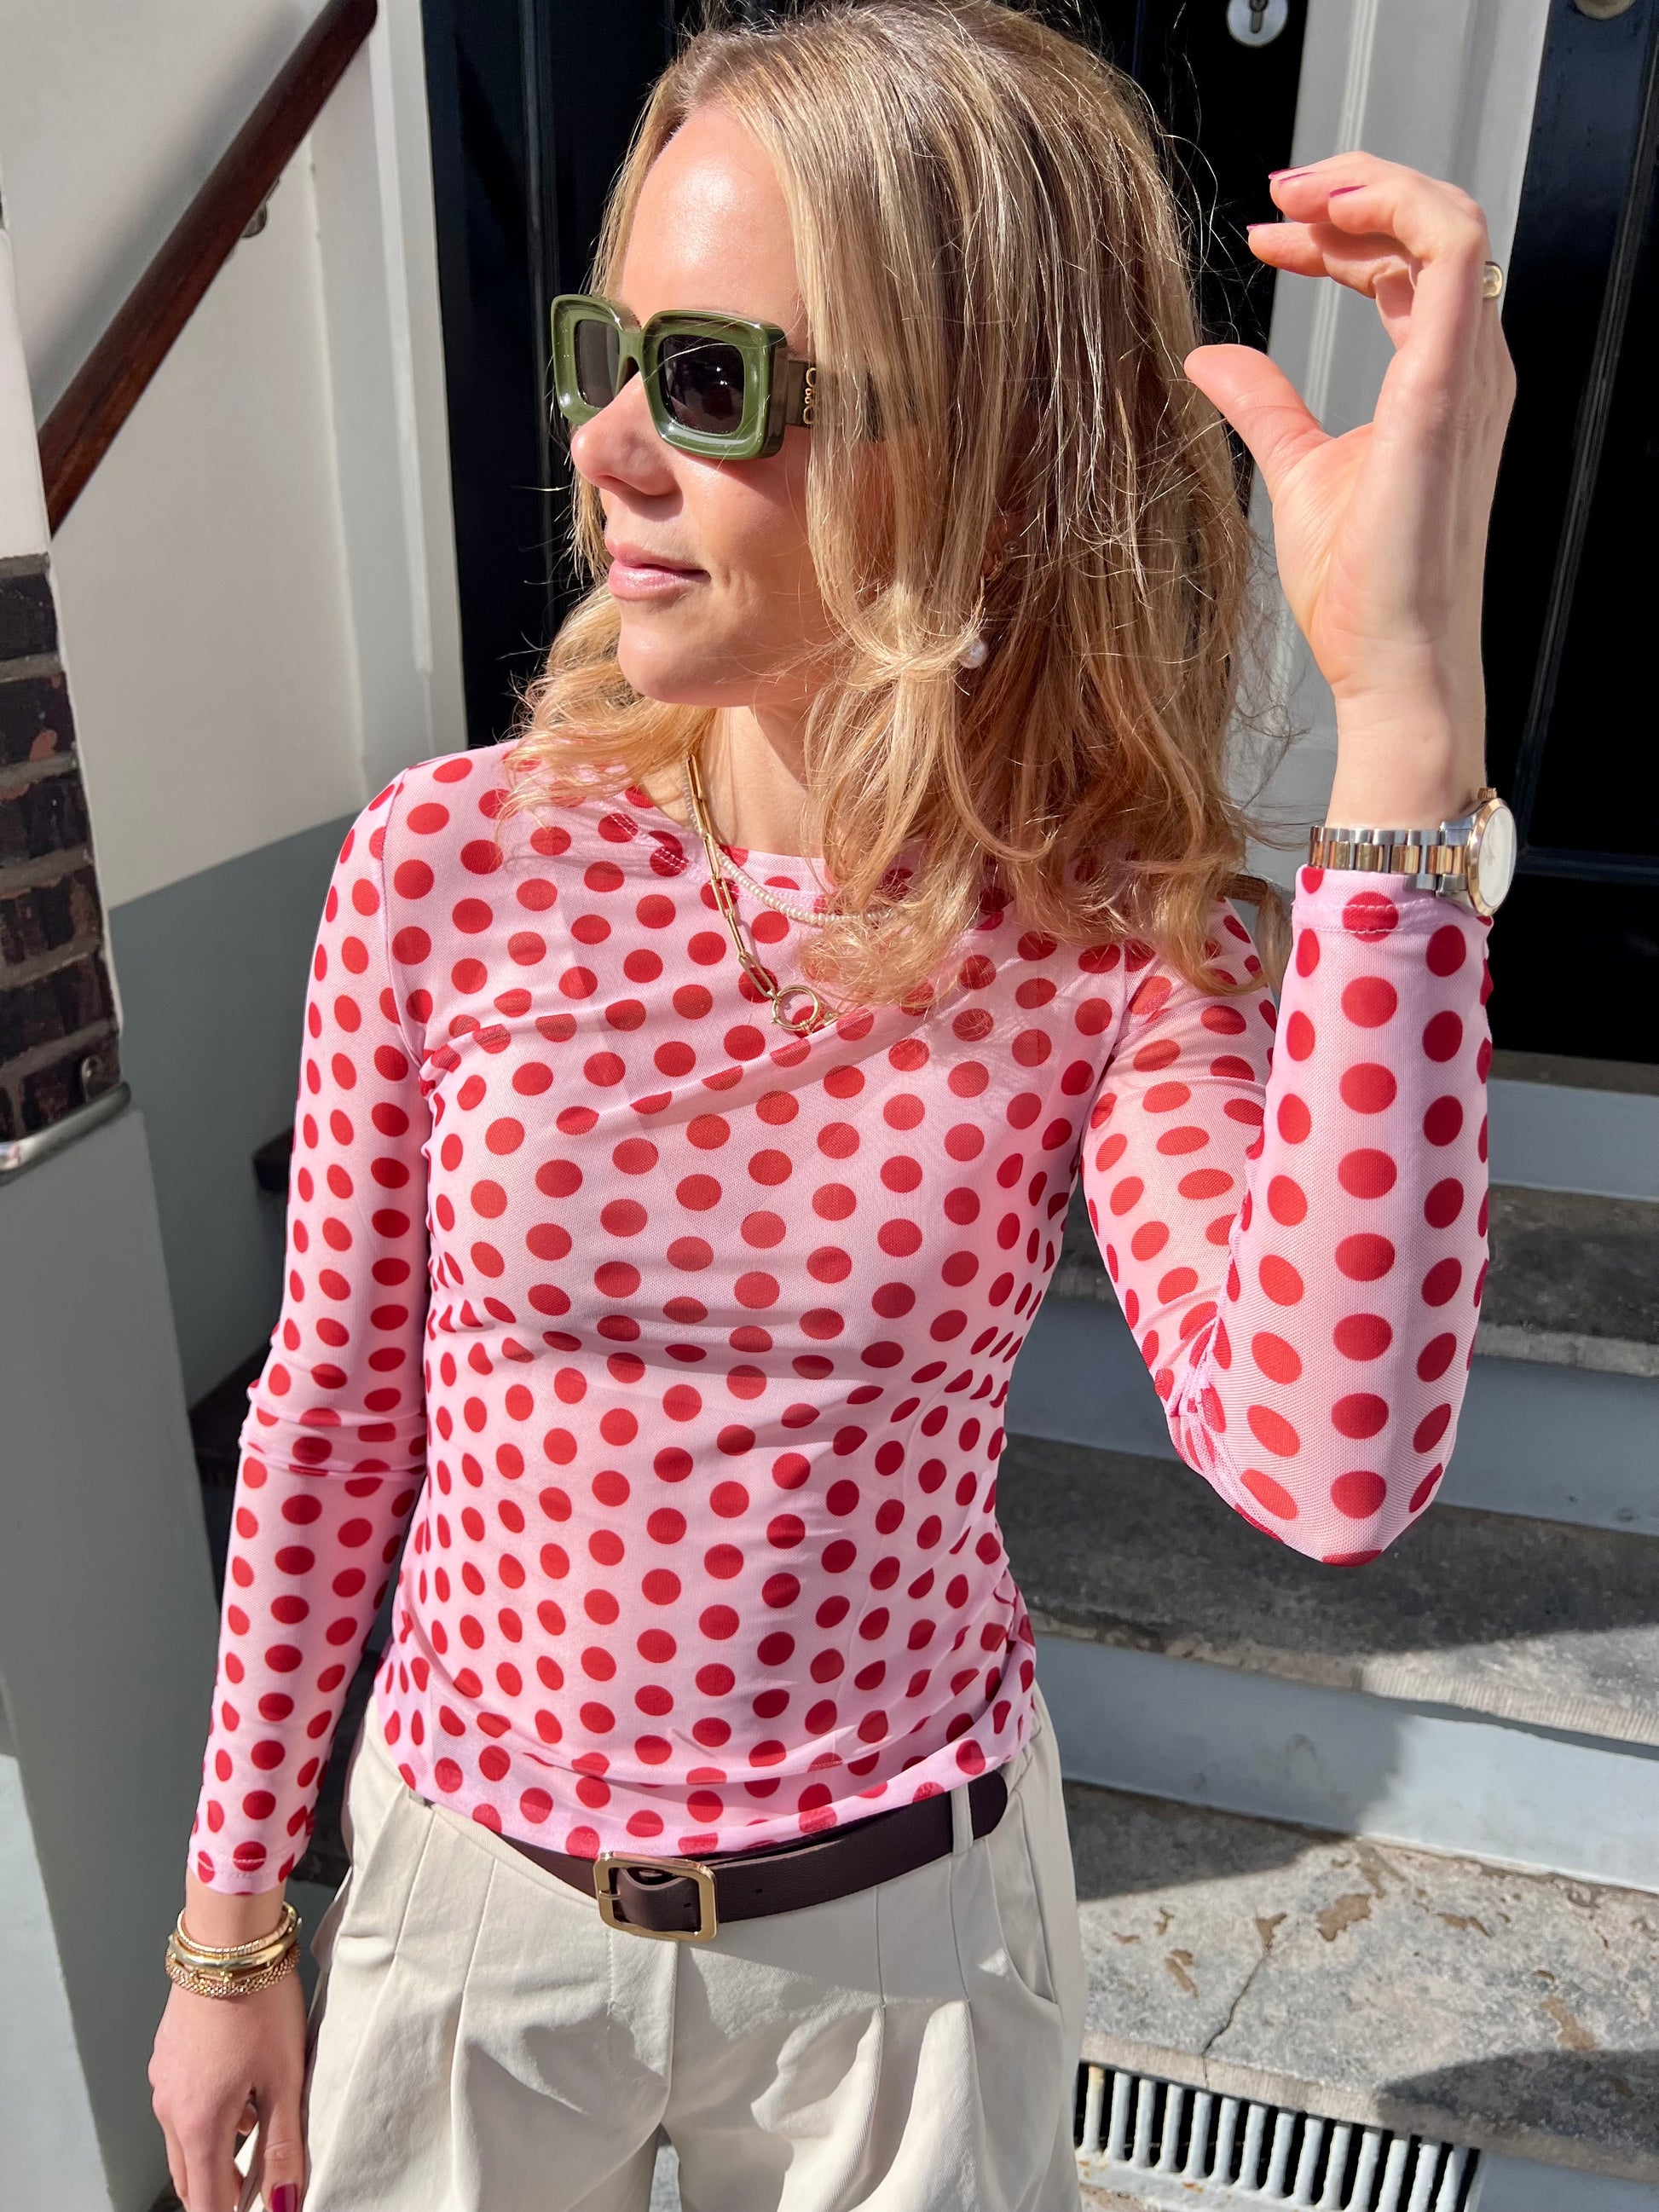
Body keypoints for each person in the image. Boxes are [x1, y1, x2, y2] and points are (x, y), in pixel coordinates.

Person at [147, 3, 1516, 2207]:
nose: (605, 443)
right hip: (474, 1911)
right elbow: (335, 1407)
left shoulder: (1095, 937)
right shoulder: (452, 861)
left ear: (965, 454)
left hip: (905, 1957)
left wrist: (1406, 720)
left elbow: (1329, 1464)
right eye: (613, 354)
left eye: (712, 382)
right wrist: (230, 1923)